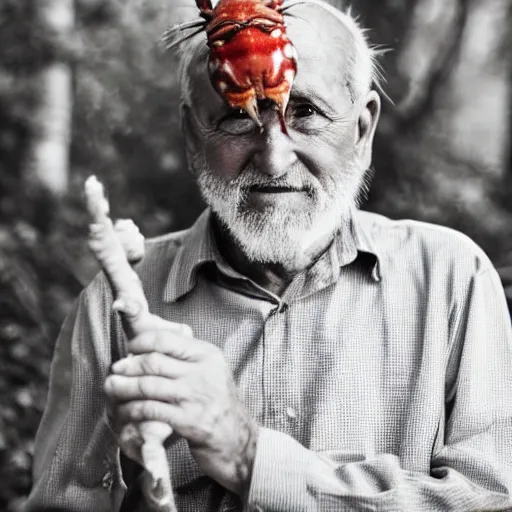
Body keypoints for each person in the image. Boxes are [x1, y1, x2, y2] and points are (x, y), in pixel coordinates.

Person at [26, 2, 512, 511]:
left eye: (304, 112)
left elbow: (493, 500)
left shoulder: (452, 279)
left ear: (363, 129)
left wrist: (248, 456)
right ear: (194, 136)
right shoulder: (116, 304)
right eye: (238, 117)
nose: (274, 158)